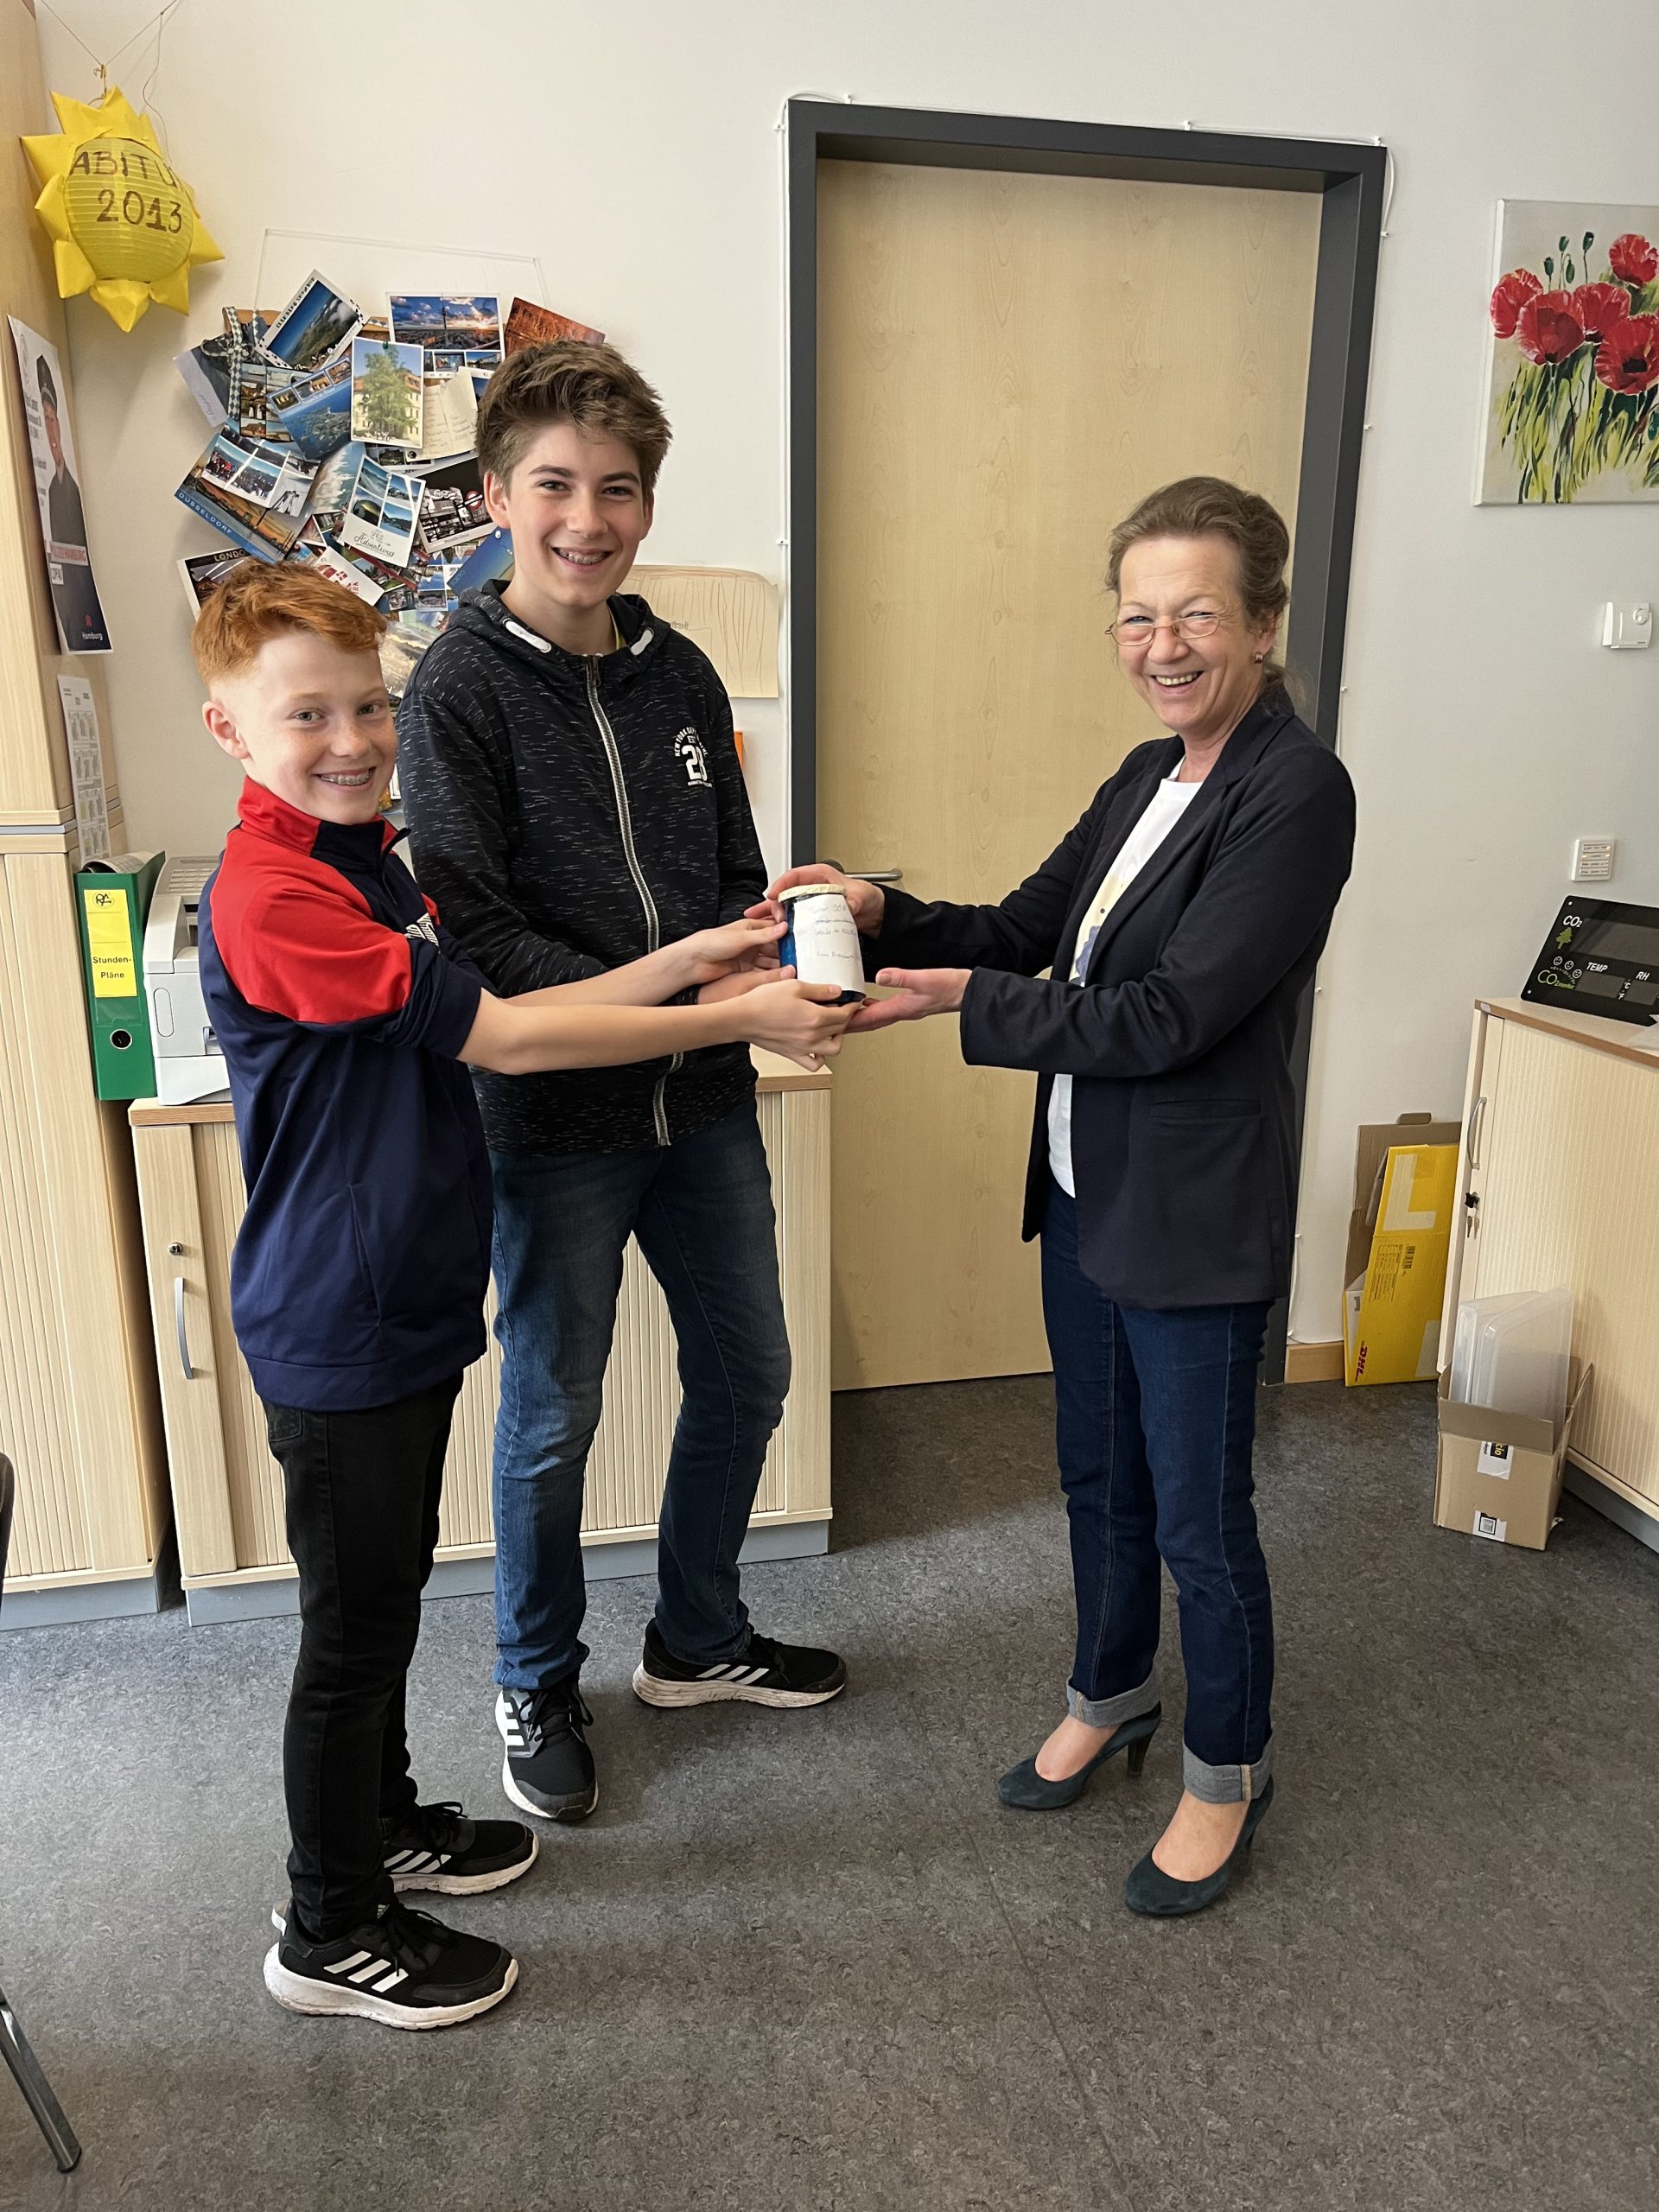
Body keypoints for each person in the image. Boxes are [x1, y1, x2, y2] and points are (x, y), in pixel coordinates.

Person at [193, 562, 852, 2028]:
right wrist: (738, 1015)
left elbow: (510, 1010)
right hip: (342, 1313)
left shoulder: (362, 862)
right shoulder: (276, 896)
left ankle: (383, 1829)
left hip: (400, 1299)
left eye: (367, 706)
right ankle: (329, 1924)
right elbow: (511, 1043)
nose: (353, 739)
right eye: (308, 716)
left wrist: (698, 956)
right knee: (352, 1636)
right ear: (230, 730)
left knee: (381, 1604)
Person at [773, 478, 1357, 1917]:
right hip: (1090, 1196)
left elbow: (1170, 1017)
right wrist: (887, 913)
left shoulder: (1295, 791)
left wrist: (959, 1002)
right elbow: (1028, 928)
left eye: (1196, 615)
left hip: (1194, 1220)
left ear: (1264, 624)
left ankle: (1227, 1770)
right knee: (1098, 1476)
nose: (1163, 645)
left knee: (1200, 1518)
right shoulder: (1146, 776)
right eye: (1137, 617)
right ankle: (1110, 1691)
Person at [397, 340, 851, 1833]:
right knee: (551, 1419)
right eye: (554, 486)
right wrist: (701, 994)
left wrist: (779, 951)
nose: (587, 520)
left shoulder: (683, 672)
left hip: (703, 1109)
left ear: (647, 503)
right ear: (493, 494)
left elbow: (728, 878)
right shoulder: (455, 689)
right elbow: (486, 945)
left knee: (750, 1372)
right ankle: (535, 1679)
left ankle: (697, 1638)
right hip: (555, 1123)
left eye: (618, 490)